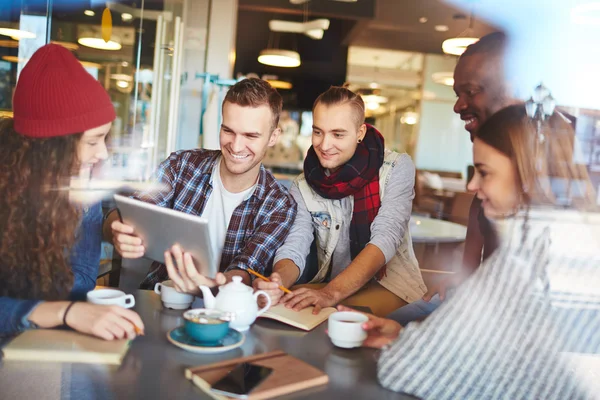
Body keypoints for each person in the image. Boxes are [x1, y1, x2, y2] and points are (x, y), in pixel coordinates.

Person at [346, 104, 600, 399]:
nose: (471, 185)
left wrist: (406, 346)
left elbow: (403, 369)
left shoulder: (523, 262)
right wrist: (405, 337)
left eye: (484, 172)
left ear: (530, 174)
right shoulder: (576, 241)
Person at [0, 44, 144, 339]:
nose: (103, 153)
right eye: (93, 142)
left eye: (105, 138)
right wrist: (66, 312)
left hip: (43, 344)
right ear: (53, 146)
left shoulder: (75, 181)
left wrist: (113, 225)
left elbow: (81, 278)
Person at [104, 78, 297, 293]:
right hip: (160, 295)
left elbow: (245, 270)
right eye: (228, 131)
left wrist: (207, 286)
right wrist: (117, 230)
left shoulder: (279, 204)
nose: (236, 145)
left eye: (250, 135)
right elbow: (129, 213)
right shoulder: (181, 165)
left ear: (273, 137)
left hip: (224, 310)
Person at [256, 86, 426, 316]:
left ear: (360, 132)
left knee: (340, 323)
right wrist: (277, 279)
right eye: (318, 132)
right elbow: (296, 243)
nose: (325, 145)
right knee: (282, 308)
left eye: (338, 134)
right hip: (331, 285)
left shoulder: (396, 168)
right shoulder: (303, 184)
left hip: (390, 287)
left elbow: (386, 237)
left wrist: (330, 294)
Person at [388, 31, 515, 325]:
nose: (458, 106)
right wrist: (463, 283)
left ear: (512, 90)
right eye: (458, 94)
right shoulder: (485, 174)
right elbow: (471, 272)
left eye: (470, 92)